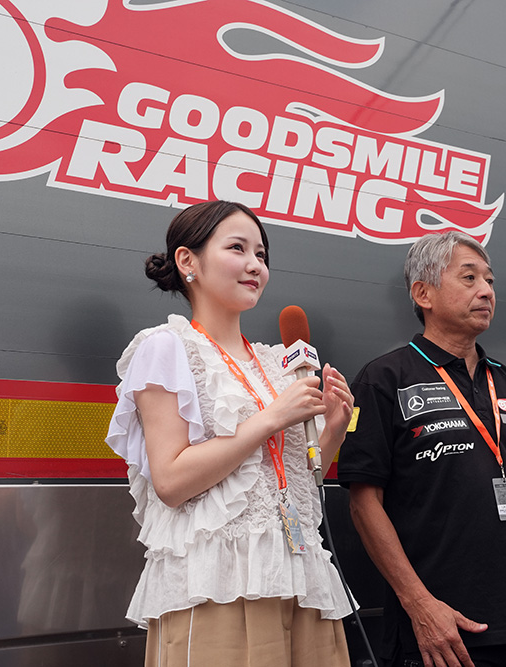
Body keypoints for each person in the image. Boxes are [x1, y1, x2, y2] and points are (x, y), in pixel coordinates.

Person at [105, 200, 355, 667]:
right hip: (218, 583)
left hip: (299, 574)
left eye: (261, 254)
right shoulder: (167, 347)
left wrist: (335, 430)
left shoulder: (275, 363)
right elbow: (171, 481)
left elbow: (296, 481)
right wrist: (269, 419)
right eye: (237, 248)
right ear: (188, 260)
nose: (255, 265)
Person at [337, 230, 506, 667]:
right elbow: (364, 505)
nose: (486, 291)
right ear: (423, 294)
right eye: (469, 277)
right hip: (443, 633)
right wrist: (420, 605)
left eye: (490, 281)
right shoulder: (384, 378)